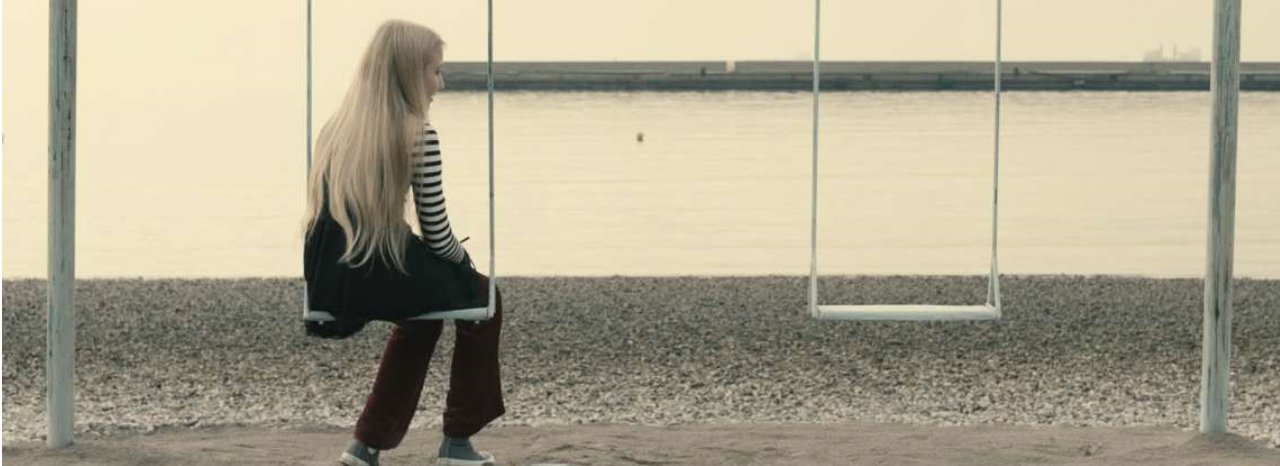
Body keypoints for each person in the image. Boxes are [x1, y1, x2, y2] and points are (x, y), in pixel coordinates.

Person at [301, 19, 503, 466]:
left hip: (328, 274)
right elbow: (437, 232)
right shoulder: (418, 134)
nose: (441, 84)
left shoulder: (335, 129)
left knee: (421, 316)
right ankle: (458, 443)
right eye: (436, 71)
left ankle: (365, 447)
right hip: (376, 264)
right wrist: (464, 262)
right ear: (412, 73)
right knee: (484, 296)